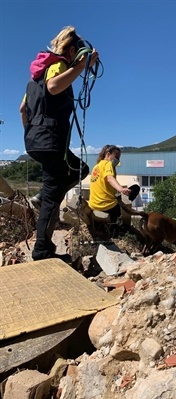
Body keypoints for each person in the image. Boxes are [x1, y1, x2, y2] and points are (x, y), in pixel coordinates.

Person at [20, 26, 99, 261]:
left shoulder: (35, 78)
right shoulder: (59, 66)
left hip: (35, 141)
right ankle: (42, 251)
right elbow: (54, 87)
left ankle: (45, 195)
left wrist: (30, 131)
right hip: (51, 141)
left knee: (80, 169)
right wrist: (82, 65)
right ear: (73, 50)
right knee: (53, 196)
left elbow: (22, 109)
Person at [88, 145, 132, 223]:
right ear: (108, 154)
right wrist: (121, 189)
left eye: (118, 158)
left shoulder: (96, 167)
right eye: (116, 157)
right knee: (123, 213)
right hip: (106, 205)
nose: (118, 160)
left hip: (93, 204)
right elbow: (110, 178)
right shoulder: (108, 164)